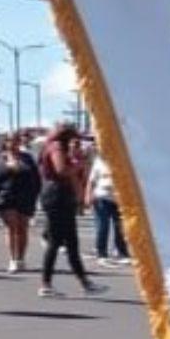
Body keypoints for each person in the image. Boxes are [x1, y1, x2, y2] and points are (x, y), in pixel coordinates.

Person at [37, 124, 106, 298]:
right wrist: (79, 165)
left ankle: (86, 283)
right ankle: (46, 284)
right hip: (57, 196)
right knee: (55, 242)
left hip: (61, 196)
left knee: (72, 243)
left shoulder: (54, 146)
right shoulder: (57, 147)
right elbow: (61, 170)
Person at [0, 134, 41, 273]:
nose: (14, 143)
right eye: (11, 141)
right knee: (11, 226)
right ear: (6, 143)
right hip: (6, 197)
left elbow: (36, 178)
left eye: (17, 141)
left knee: (23, 228)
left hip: (25, 197)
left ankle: (20, 258)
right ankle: (12, 259)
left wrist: (35, 195)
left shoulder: (27, 158)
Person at [85, 153, 130, 267]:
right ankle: (102, 253)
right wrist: (88, 195)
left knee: (120, 227)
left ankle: (122, 252)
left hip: (119, 199)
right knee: (103, 226)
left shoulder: (122, 159)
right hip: (102, 197)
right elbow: (91, 181)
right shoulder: (99, 161)